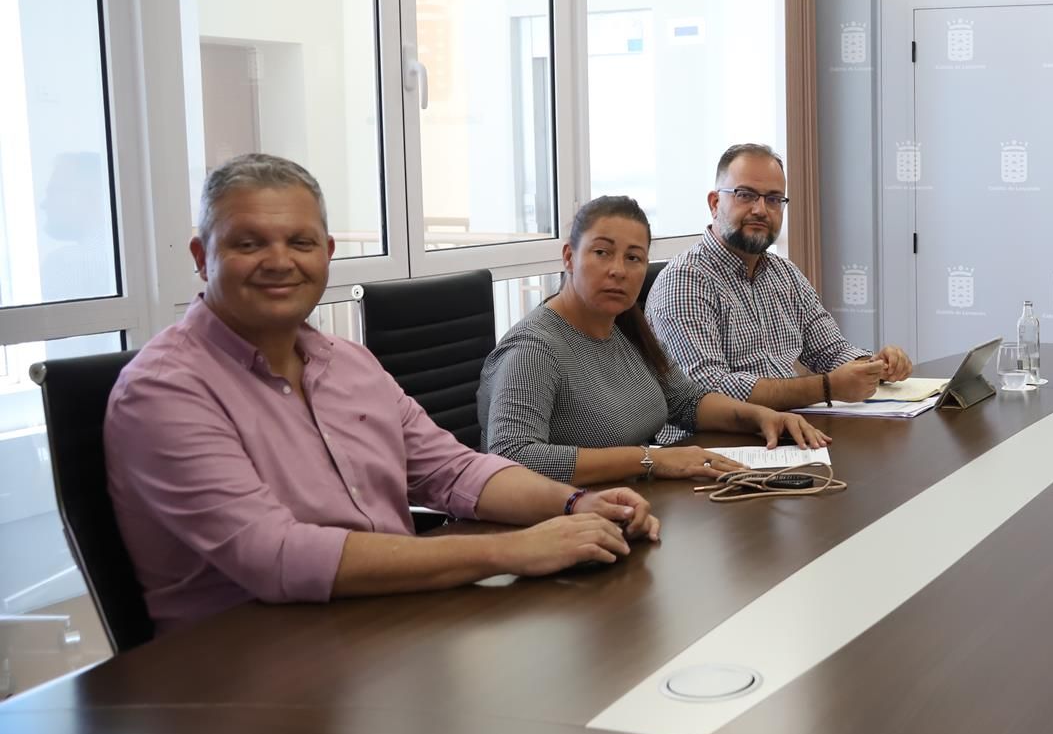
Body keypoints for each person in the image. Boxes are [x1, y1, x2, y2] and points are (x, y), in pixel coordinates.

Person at [106, 154, 661, 633]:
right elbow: (276, 557)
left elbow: (455, 471)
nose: (279, 261)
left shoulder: (348, 364)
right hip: (243, 670)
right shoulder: (164, 391)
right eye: (248, 243)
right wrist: (513, 549)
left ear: (325, 252)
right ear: (203, 257)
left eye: (299, 242)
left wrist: (575, 503)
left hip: (387, 622)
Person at [479, 196, 829, 487]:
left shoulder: (625, 328)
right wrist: (651, 460)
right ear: (569, 257)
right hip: (557, 524)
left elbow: (686, 401)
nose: (619, 270)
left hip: (632, 503)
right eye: (602, 253)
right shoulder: (534, 348)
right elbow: (513, 455)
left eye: (633, 258)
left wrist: (762, 418)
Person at [649, 143, 912, 411]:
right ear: (715, 203)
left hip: (787, 430)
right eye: (745, 195)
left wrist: (875, 365)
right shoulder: (684, 280)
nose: (761, 210)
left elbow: (829, 350)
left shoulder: (784, 274)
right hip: (715, 442)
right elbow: (706, 390)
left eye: (774, 199)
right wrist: (825, 387)